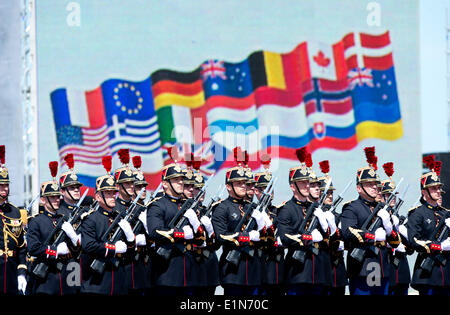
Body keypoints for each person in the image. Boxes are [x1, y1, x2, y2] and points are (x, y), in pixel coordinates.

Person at [340, 147, 401, 295]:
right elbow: (347, 232)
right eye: (369, 184)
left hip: (382, 266)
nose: (374, 187)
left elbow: (395, 242)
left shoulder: (383, 209)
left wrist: (388, 227)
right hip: (362, 266)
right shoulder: (352, 207)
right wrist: (372, 237)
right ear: (359, 188)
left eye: (375, 184)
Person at [277, 147, 332, 295]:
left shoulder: (316, 208)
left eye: (308, 182)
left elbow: (327, 237)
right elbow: (284, 236)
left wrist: (326, 225)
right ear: (292, 186)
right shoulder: (287, 209)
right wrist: (307, 238)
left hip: (317, 273)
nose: (307, 185)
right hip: (297, 272)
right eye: (302, 183)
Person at [211, 147, 265, 295]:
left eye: (244, 183)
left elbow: (265, 237)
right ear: (228, 186)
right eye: (238, 183)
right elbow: (221, 236)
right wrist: (244, 237)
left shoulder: (252, 207)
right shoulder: (222, 208)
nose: (243, 186)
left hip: (253, 269)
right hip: (233, 270)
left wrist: (263, 227)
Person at [79, 155, 134, 295]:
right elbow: (89, 245)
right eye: (107, 193)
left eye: (113, 193)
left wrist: (130, 239)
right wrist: (113, 248)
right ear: (98, 197)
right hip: (97, 283)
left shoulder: (119, 217)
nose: (112, 196)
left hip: (119, 281)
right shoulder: (91, 219)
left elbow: (128, 250)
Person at [147, 147, 197, 295]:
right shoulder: (157, 205)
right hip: (166, 272)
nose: (181, 182)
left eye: (182, 179)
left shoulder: (187, 205)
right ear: (165, 184)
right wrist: (181, 233)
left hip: (188, 271)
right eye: (176, 180)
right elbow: (155, 231)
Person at [27, 161, 79, 295]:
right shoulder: (36, 221)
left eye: (57, 197)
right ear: (43, 200)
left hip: (68, 274)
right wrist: (55, 251)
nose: (57, 200)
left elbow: (75, 249)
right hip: (47, 278)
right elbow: (33, 248)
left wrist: (74, 240)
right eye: (52, 197)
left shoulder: (65, 220)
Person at [407, 156, 450, 295]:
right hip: (428, 271)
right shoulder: (418, 213)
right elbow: (414, 240)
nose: (438, 191)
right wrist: (439, 246)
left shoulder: (446, 213)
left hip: (447, 271)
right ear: (424, 192)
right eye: (433, 188)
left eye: (439, 188)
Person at [253, 154, 285, 296]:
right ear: (256, 191)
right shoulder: (250, 211)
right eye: (264, 189)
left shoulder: (280, 211)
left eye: (270, 189)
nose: (268, 193)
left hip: (276, 268)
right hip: (257, 267)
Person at [0, 146, 27, 295]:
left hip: (10, 272)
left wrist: (22, 272)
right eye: (1, 185)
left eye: (6, 185)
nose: (4, 189)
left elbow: (21, 247)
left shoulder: (15, 211)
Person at [317, 160, 347, 296]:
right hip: (322, 265)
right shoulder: (316, 214)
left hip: (338, 267)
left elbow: (345, 237)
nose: (330, 196)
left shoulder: (338, 215)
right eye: (326, 193)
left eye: (331, 193)